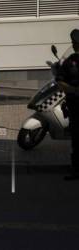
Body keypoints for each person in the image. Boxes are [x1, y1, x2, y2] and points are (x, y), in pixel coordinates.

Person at [56, 29, 79, 180]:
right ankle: (76, 170)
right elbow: (59, 79)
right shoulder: (70, 61)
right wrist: (71, 89)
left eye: (75, 43)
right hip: (75, 106)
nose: (74, 45)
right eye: (73, 43)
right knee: (76, 139)